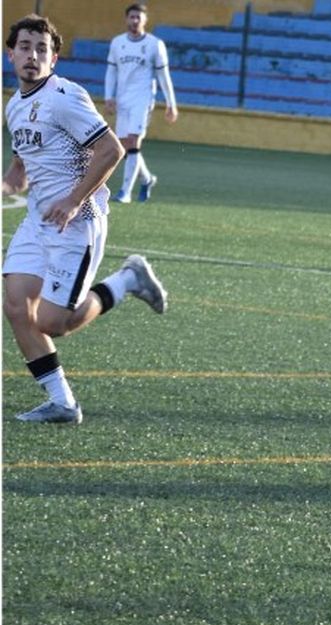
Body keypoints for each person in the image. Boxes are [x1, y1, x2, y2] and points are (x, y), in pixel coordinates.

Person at [4, 14, 169, 425]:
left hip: (78, 222)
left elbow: (111, 150)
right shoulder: (13, 106)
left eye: (42, 50)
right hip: (39, 220)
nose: (32, 56)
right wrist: (11, 181)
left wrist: (74, 200)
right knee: (16, 305)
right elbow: (21, 165)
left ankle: (126, 280)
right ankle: (62, 402)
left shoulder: (64, 96)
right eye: (25, 47)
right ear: (10, 53)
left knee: (53, 322)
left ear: (54, 59)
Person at [104, 3, 176, 204]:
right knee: (125, 146)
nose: (135, 21)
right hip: (123, 99)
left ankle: (125, 192)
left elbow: (164, 75)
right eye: (132, 17)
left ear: (145, 20)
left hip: (143, 100)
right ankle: (147, 179)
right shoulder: (117, 43)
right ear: (126, 19)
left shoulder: (155, 44)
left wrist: (171, 103)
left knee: (134, 141)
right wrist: (109, 97)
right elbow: (111, 71)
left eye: (138, 17)